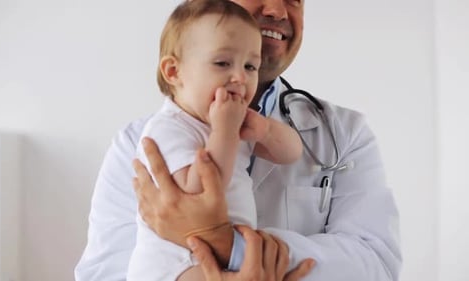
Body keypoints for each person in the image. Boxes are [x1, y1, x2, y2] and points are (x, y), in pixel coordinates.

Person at [75, 0, 402, 280]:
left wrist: (230, 245)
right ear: (173, 70)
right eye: (222, 63)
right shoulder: (146, 142)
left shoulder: (344, 132)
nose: (277, 9)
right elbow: (105, 273)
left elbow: (376, 264)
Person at [125, 1, 303, 280]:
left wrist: (266, 130)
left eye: (250, 66)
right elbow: (197, 191)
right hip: (175, 264)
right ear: (174, 72)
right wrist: (225, 131)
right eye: (222, 63)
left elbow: (292, 153)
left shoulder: (231, 120)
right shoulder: (167, 129)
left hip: (227, 254)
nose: (240, 77)